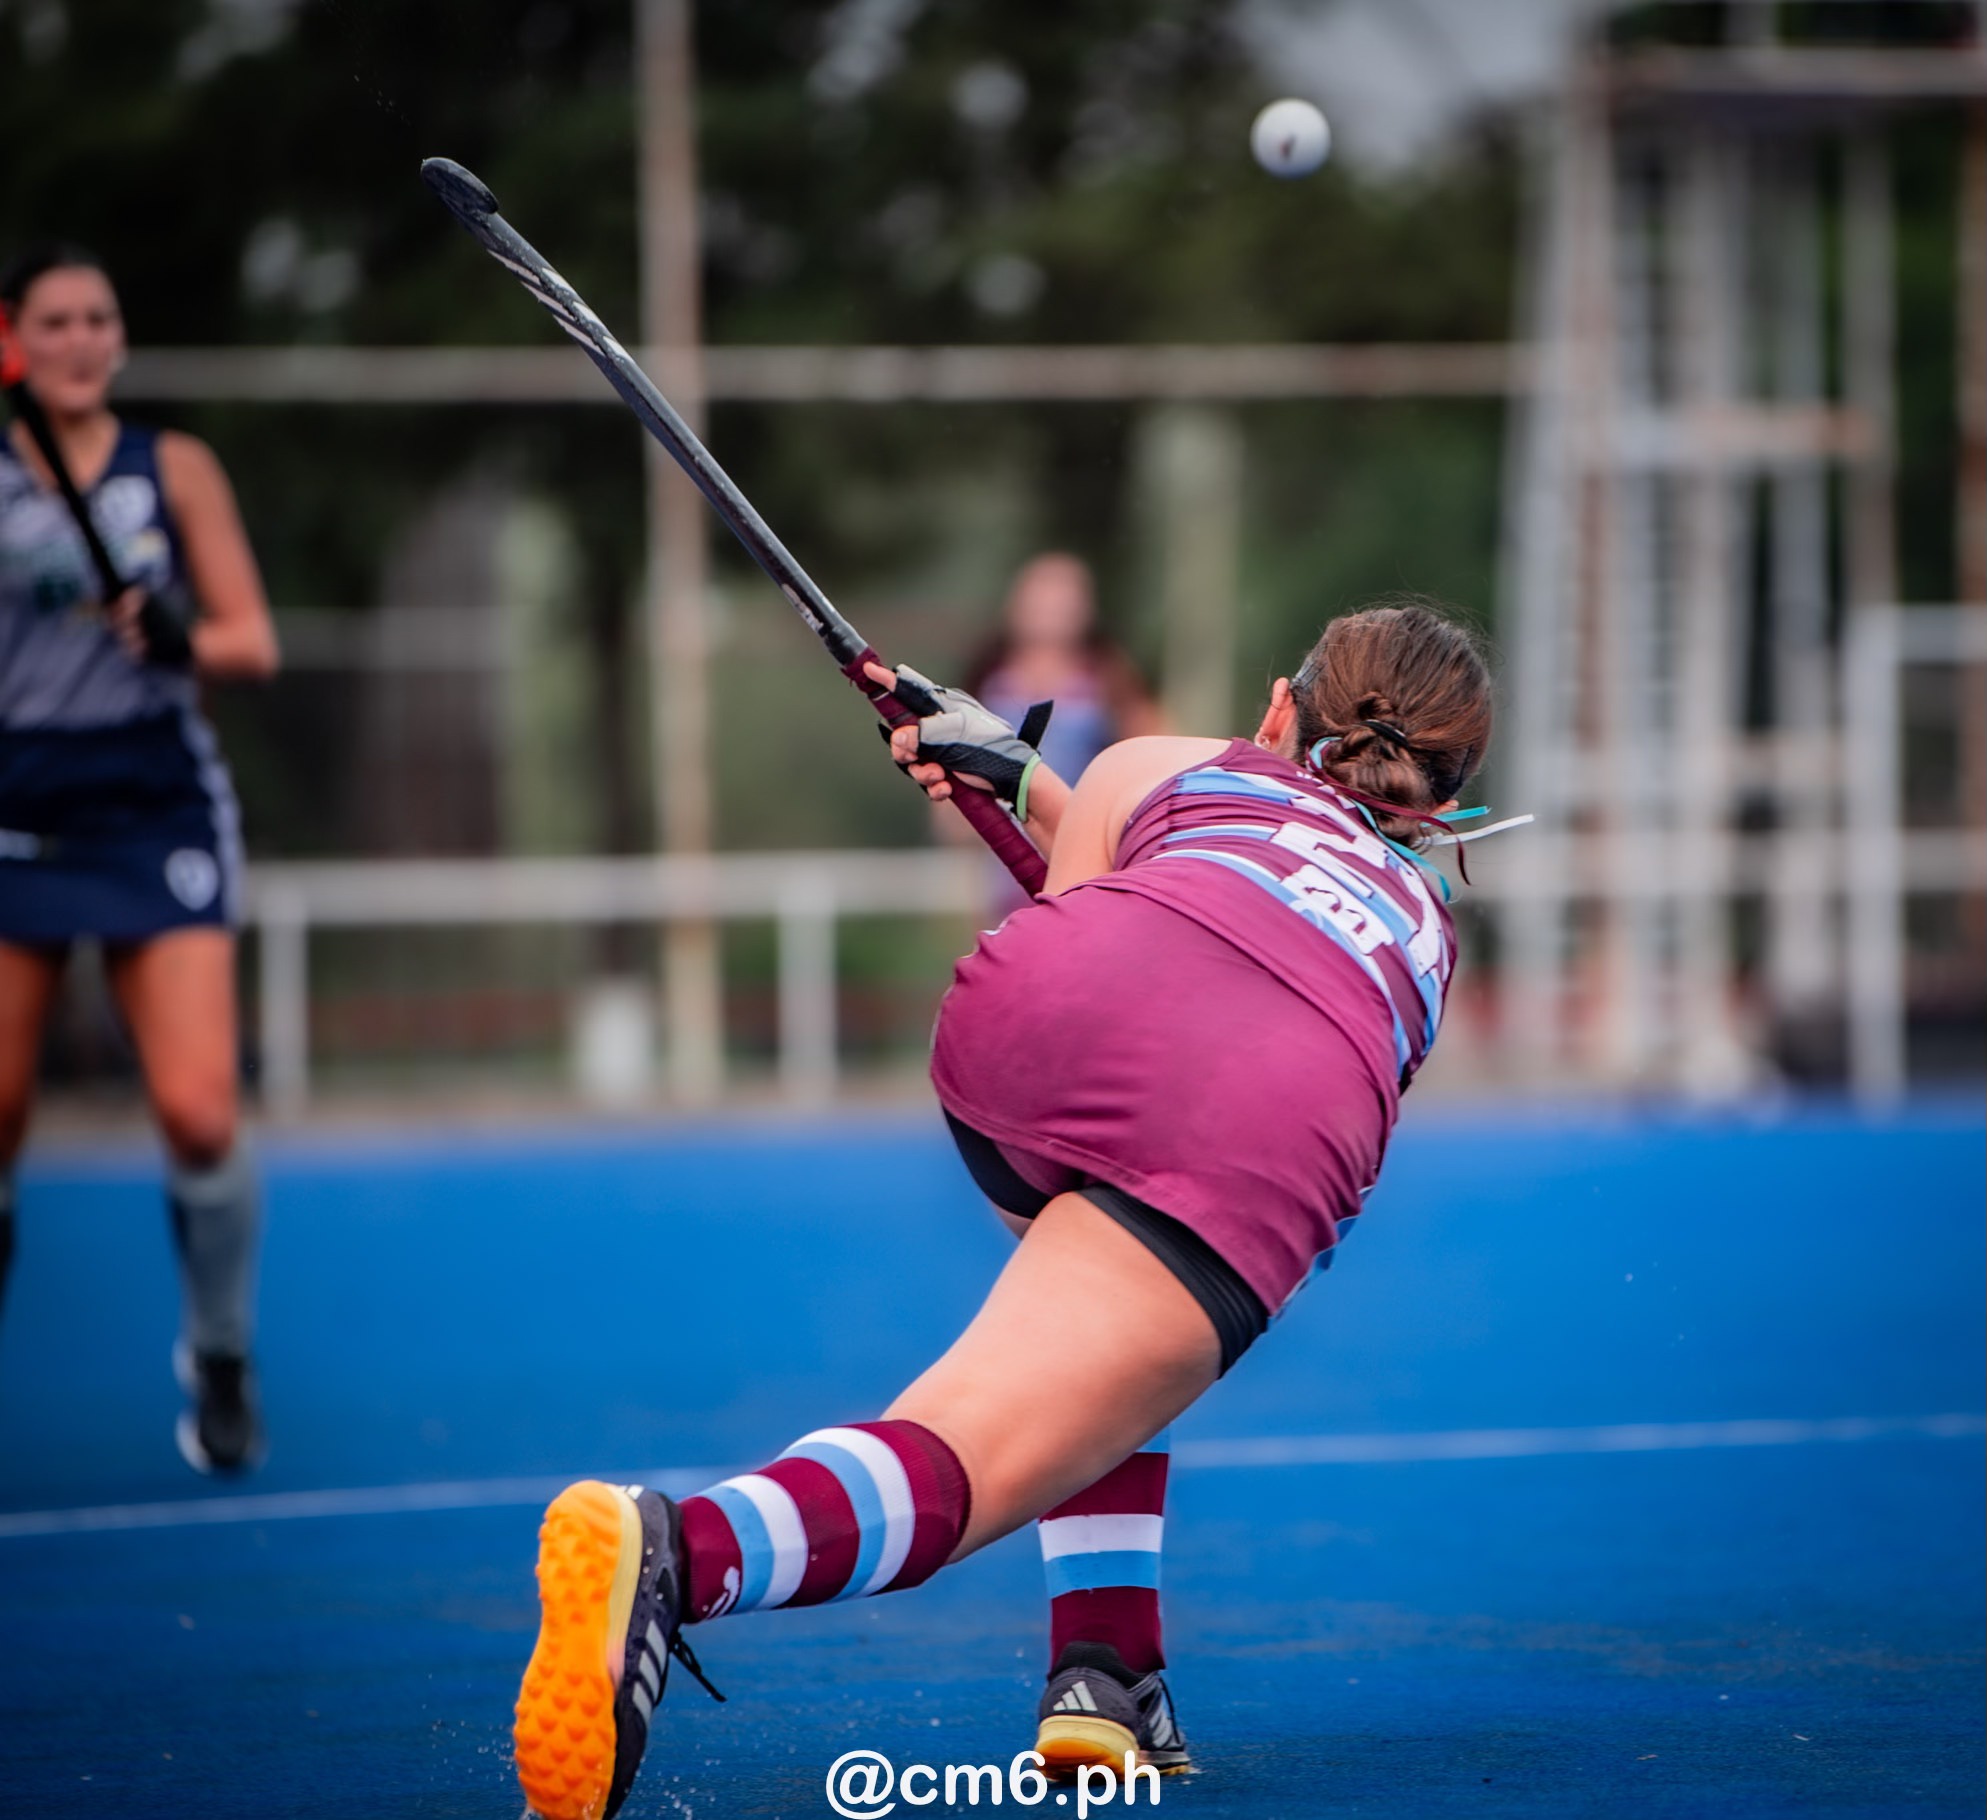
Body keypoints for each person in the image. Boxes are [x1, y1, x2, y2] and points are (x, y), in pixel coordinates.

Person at [509, 600, 1493, 1820]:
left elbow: (1108, 915)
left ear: (1280, 710)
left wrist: (1022, 781)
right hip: (1246, 1122)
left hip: (1020, 1033)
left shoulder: (1154, 761)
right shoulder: (1429, 935)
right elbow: (1229, 976)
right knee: (986, 1441)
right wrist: (1020, 781)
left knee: (1091, 1348)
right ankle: (678, 1552)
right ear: (1449, 803)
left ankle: (1108, 1670)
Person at [0, 245, 279, 1473]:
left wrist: (183, 640)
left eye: (98, 318)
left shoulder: (174, 467)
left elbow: (252, 641)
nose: (79, 340)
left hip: (153, 803)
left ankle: (219, 1351)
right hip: (16, 805)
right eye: (55, 321)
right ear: (15, 337)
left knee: (199, 1110)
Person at [954, 552, 1164, 914]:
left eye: (1063, 600)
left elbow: (1155, 753)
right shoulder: (989, 680)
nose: (1051, 612)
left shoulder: (1108, 677)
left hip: (1086, 855)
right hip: (1003, 863)